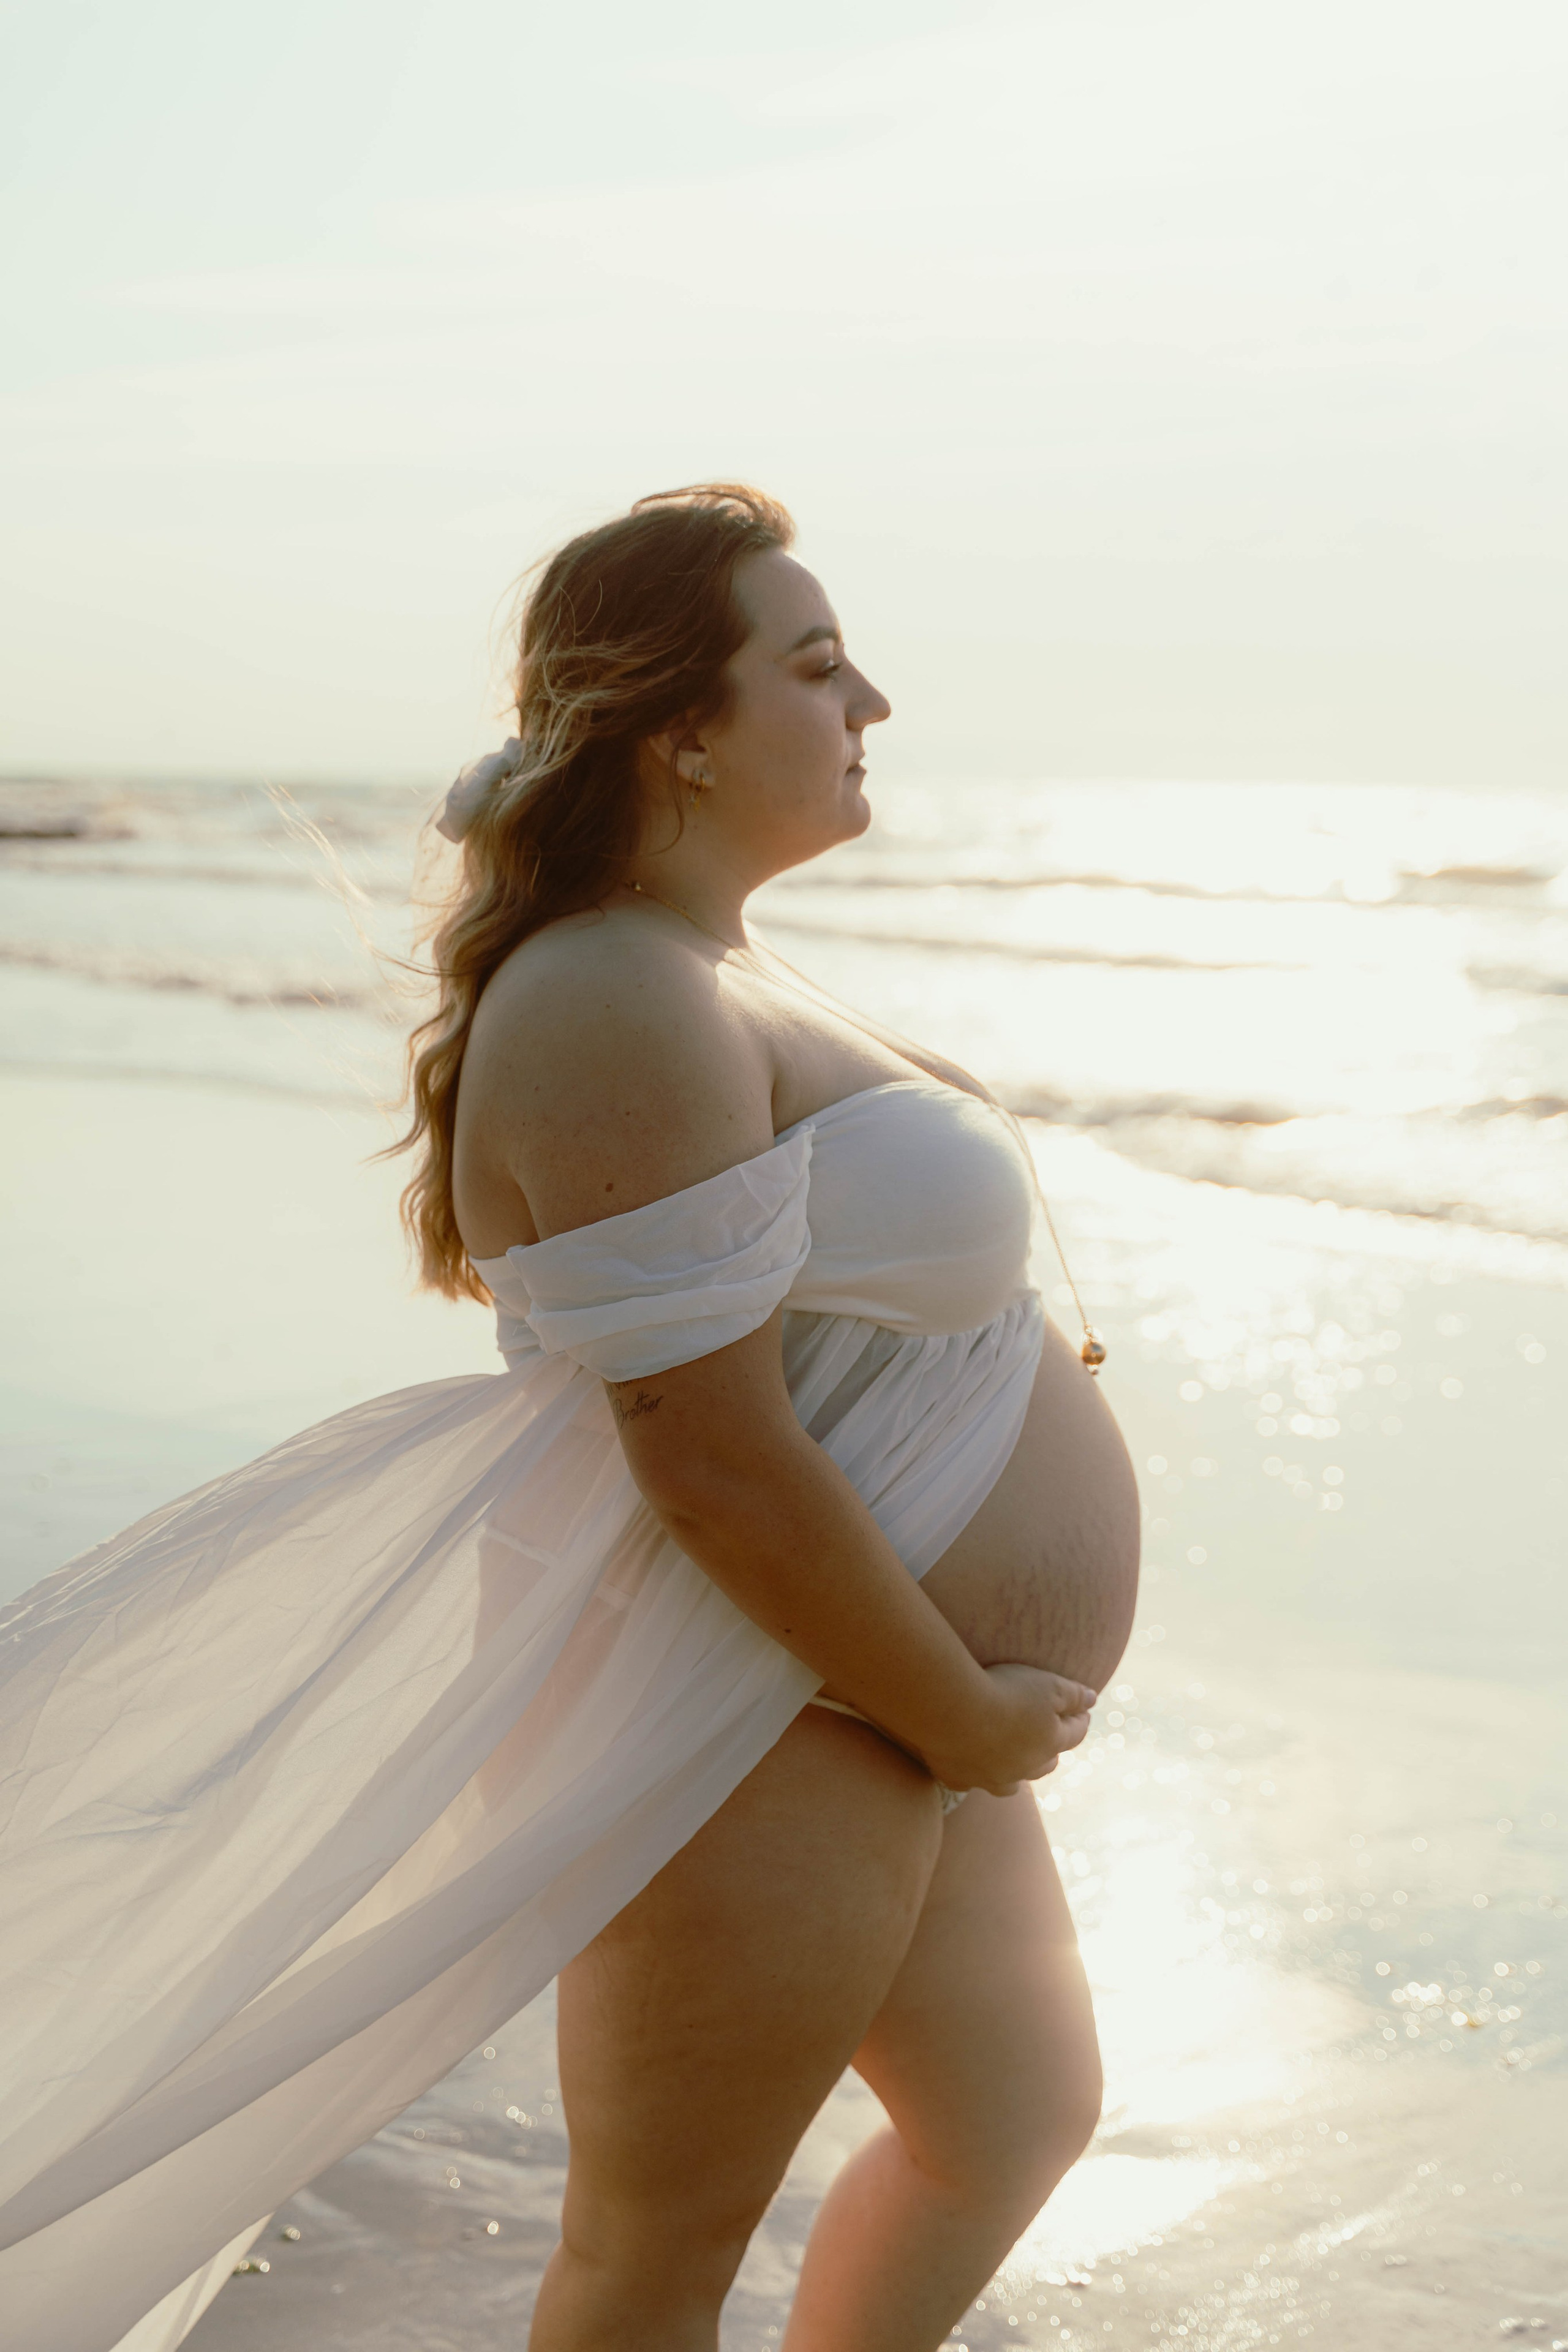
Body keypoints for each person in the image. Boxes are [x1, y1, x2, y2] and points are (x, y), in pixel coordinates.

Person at [0, 484, 1139, 2352]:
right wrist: (956, 1707)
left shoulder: (705, 972)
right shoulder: (610, 992)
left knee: (1010, 2121)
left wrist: (962, 1706)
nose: (874, 703)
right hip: (766, 1684)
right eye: (819, 662)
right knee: (656, 2251)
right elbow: (708, 1449)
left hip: (880, 1688)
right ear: (679, 726)